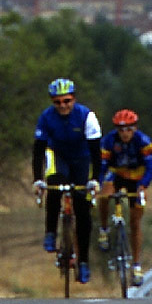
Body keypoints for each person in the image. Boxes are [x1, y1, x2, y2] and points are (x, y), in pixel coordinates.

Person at [32, 78, 103, 284]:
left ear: (74, 99)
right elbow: (38, 151)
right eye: (58, 102)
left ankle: (83, 262)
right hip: (57, 155)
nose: (63, 106)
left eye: (67, 101)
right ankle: (51, 232)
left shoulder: (87, 117)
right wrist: (37, 179)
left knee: (83, 210)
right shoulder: (46, 118)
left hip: (81, 158)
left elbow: (96, 153)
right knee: (55, 183)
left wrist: (96, 179)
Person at [96, 109, 152, 286]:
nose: (125, 133)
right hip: (117, 174)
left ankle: (136, 266)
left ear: (135, 128)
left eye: (129, 129)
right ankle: (104, 229)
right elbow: (102, 165)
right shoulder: (108, 141)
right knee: (105, 194)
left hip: (137, 178)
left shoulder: (144, 141)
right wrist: (98, 183)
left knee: (135, 221)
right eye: (121, 129)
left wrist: (143, 186)